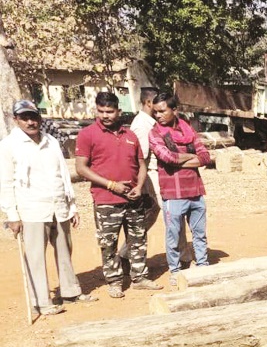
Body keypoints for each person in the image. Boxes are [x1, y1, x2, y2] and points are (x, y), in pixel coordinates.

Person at [0, 100, 93, 315]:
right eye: (25, 118)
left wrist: (72, 206)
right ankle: (41, 301)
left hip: (58, 205)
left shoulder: (50, 140)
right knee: (35, 256)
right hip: (31, 209)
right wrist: (12, 215)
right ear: (16, 120)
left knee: (64, 249)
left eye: (34, 117)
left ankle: (70, 292)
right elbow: (5, 183)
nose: (31, 122)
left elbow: (63, 173)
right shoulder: (8, 146)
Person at [75, 91, 161, 298]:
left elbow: (141, 165)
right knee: (108, 243)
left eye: (110, 111)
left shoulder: (130, 135)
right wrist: (111, 185)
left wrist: (139, 187)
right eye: (101, 111)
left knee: (138, 239)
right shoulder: (87, 134)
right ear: (96, 110)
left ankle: (139, 277)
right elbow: (81, 168)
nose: (105, 116)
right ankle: (114, 281)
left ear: (118, 111)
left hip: (133, 199)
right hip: (106, 200)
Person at [148, 91, 213, 285]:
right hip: (173, 193)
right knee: (173, 235)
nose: (158, 115)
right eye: (155, 112)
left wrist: (178, 160)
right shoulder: (155, 133)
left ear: (174, 110)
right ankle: (175, 271)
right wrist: (190, 158)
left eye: (162, 111)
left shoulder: (187, 128)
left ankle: (203, 265)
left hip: (195, 191)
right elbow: (167, 157)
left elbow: (205, 157)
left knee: (199, 233)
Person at [124, 86, 188, 264]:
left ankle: (124, 254)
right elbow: (141, 158)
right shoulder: (142, 125)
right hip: (153, 176)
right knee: (174, 215)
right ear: (149, 103)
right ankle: (183, 258)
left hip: (161, 174)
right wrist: (141, 186)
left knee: (149, 217)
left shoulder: (153, 122)